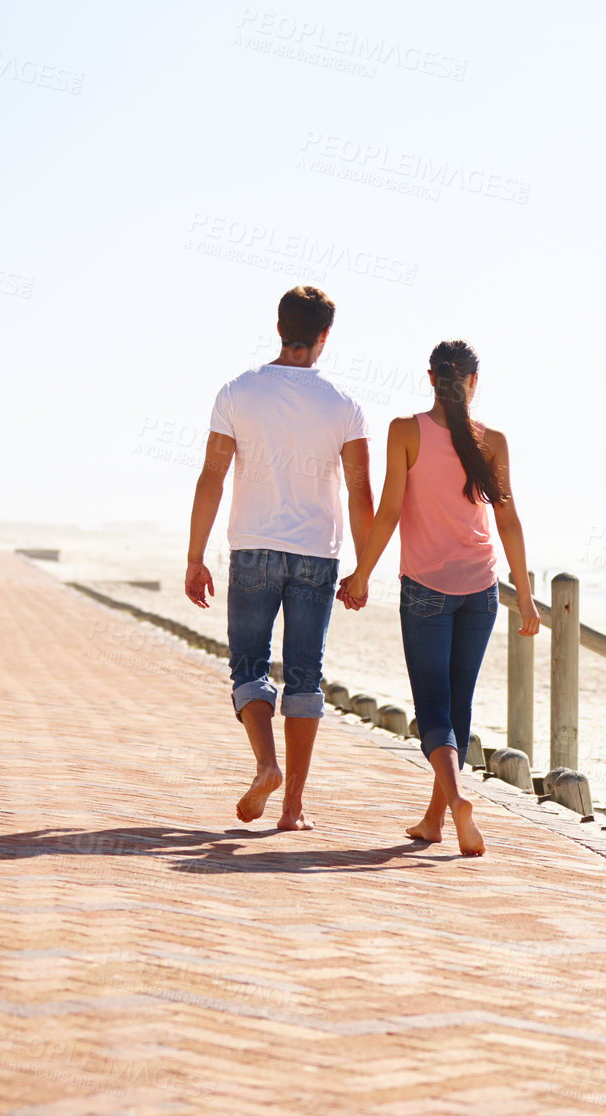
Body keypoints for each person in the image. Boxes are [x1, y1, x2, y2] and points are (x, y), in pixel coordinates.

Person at [185, 286, 373, 831]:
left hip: (252, 548)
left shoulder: (237, 392)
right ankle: (292, 808)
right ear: (323, 336)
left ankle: (265, 765)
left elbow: (211, 477)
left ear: (277, 327)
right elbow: (361, 492)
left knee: (248, 665)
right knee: (305, 676)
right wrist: (364, 569)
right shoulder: (345, 405)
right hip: (318, 553)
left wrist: (196, 556)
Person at [340, 340, 538, 856]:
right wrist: (529, 597)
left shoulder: (406, 431)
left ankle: (455, 804)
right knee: (458, 705)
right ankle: (435, 819)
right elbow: (509, 521)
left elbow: (388, 511)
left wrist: (361, 574)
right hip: (482, 590)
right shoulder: (492, 439)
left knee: (432, 707)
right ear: (474, 382)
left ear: (430, 378)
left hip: (426, 588)